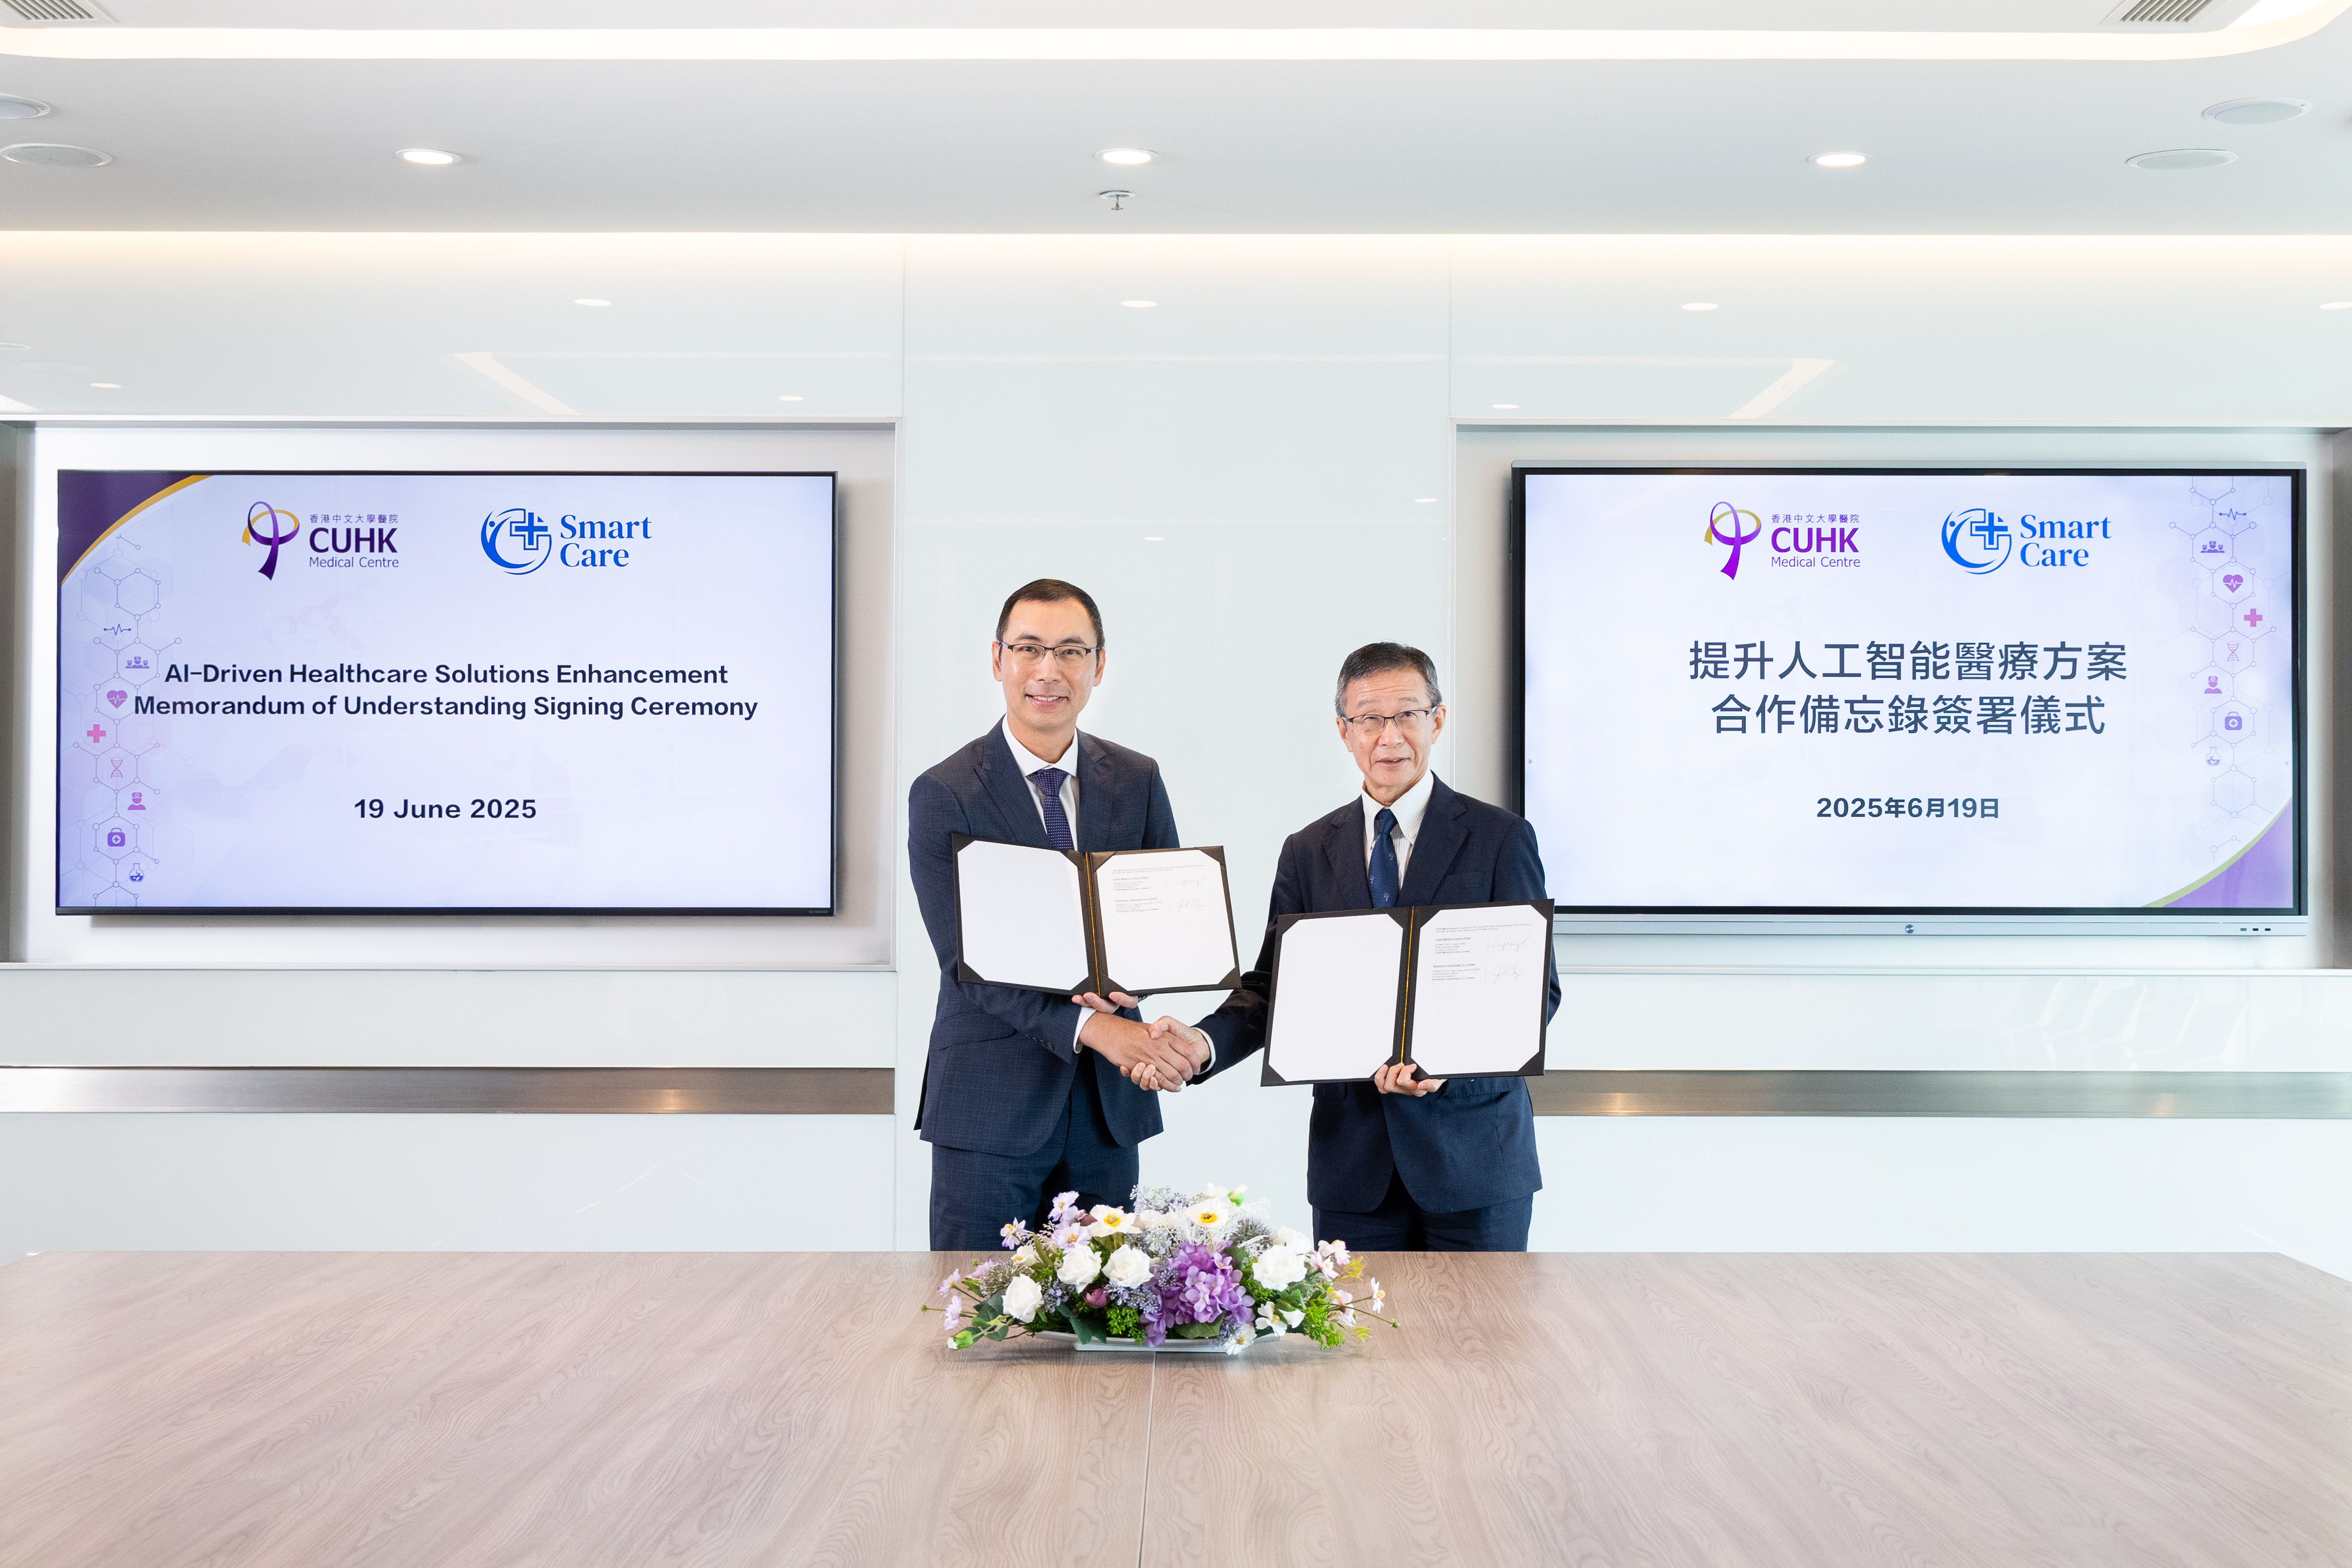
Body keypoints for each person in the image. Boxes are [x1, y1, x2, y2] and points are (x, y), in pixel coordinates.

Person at [1114, 641, 1558, 1252]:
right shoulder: (1308, 849)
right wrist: (1205, 1043)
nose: (1390, 736)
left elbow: (1536, 991)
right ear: (1344, 731)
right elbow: (1273, 988)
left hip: (1474, 1162)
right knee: (1360, 1345)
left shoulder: (1500, 838)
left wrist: (1445, 1065)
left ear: (1438, 719)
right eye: (1370, 719)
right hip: (1355, 1170)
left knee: (1480, 1345)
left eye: (1407, 714)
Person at [908, 578, 1205, 1252]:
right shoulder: (944, 793)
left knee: (1111, 1319)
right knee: (980, 1317)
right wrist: (1095, 1028)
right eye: (1029, 649)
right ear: (997, 660)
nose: (1048, 671)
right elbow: (966, 966)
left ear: (1099, 665)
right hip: (989, 1107)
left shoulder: (1136, 779)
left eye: (1071, 651)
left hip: (1107, 1108)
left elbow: (1158, 921)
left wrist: (1139, 986)